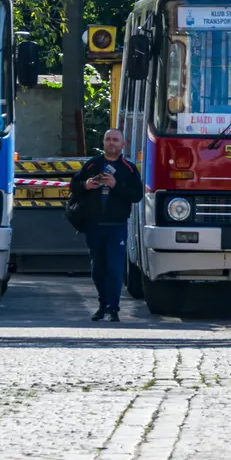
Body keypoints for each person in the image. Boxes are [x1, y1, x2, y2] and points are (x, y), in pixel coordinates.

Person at [71, 127, 142, 322]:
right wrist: (86, 185)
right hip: (94, 225)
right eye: (108, 139)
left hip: (116, 226)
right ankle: (102, 304)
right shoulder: (92, 165)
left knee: (115, 268)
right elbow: (74, 186)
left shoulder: (128, 169)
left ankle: (113, 308)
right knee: (98, 269)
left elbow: (137, 195)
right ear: (103, 143)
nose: (111, 143)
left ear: (122, 145)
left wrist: (115, 185)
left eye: (115, 140)